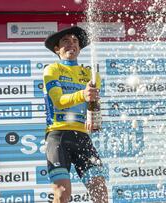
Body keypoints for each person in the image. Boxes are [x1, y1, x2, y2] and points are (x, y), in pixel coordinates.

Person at [43, 26, 108, 203]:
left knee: (100, 193)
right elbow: (58, 100)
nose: (71, 44)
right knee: (62, 193)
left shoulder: (90, 74)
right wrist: (82, 94)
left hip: (82, 138)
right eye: (65, 41)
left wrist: (95, 119)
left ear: (79, 47)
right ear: (57, 49)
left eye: (75, 41)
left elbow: (94, 106)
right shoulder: (52, 69)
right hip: (58, 136)